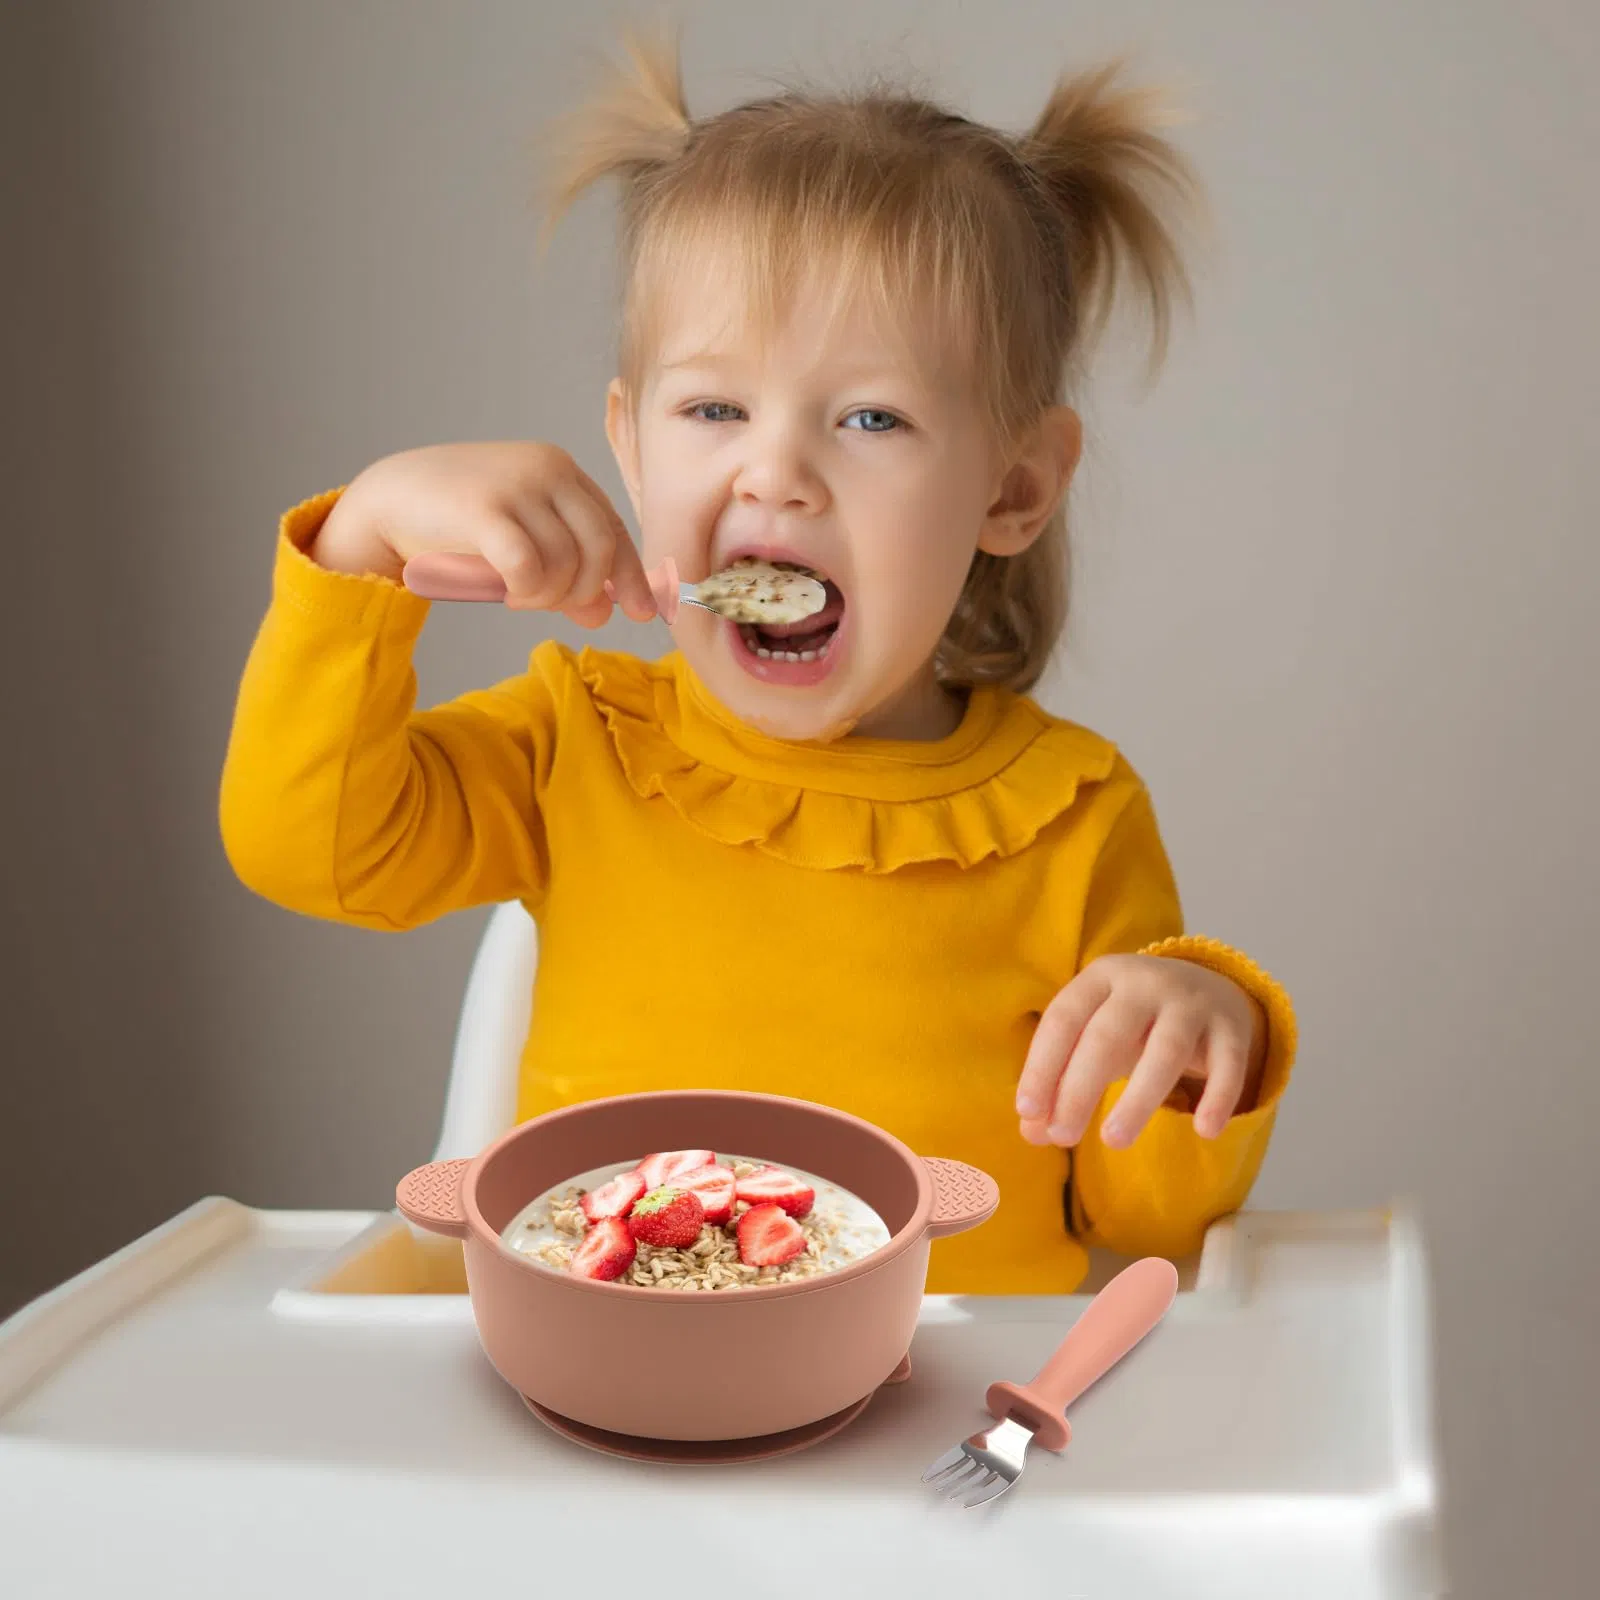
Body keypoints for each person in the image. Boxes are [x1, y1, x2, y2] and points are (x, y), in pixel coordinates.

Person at [221, 28, 1296, 1294]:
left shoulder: (1069, 821)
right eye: (714, 409)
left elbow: (1152, 1223)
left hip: (919, 1439)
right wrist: (364, 553)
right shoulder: (582, 741)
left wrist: (1187, 1043)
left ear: (1012, 487)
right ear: (629, 444)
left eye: (870, 418)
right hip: (603, 1396)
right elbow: (307, 848)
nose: (774, 472)